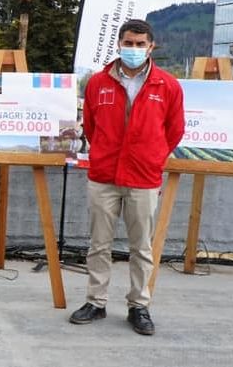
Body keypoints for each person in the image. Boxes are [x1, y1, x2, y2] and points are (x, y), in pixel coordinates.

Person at [70, 19, 184, 335]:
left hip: (144, 178)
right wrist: (105, 152)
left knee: (141, 248)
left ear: (151, 47)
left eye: (139, 44)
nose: (133, 49)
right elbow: (91, 127)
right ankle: (96, 301)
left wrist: (152, 156)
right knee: (98, 244)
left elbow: (174, 131)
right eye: (128, 43)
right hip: (104, 175)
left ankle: (139, 306)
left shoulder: (168, 85)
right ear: (119, 44)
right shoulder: (98, 83)